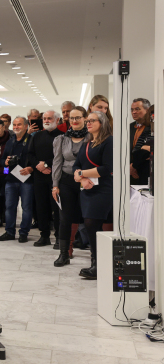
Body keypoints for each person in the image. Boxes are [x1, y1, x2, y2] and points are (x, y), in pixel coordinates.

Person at [74, 110, 113, 280]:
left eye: (92, 120)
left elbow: (107, 168)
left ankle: (99, 264)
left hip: (103, 189)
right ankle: (96, 263)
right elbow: (76, 167)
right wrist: (81, 179)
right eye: (87, 120)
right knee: (91, 226)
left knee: (92, 224)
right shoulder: (87, 143)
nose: (88, 123)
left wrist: (82, 173)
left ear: (102, 122)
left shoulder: (108, 141)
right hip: (87, 189)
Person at [51, 106, 88, 267]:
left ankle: (95, 257)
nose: (74, 121)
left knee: (90, 218)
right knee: (65, 218)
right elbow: (57, 162)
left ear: (85, 118)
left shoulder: (92, 138)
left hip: (87, 181)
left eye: (78, 117)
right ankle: (64, 254)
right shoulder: (61, 139)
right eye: (71, 118)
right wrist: (55, 185)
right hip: (66, 181)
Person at [26, 110, 63, 247]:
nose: (46, 120)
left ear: (57, 120)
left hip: (56, 177)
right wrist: (38, 165)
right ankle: (44, 235)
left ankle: (59, 237)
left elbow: (62, 156)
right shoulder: (37, 136)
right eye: (45, 118)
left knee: (57, 208)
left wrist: (46, 164)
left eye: (50, 118)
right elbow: (30, 154)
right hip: (39, 176)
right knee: (41, 207)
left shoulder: (62, 136)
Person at [0, 116, 34, 243]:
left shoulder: (31, 141)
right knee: (9, 207)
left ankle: (23, 233)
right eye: (14, 125)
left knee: (26, 207)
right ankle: (9, 232)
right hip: (11, 179)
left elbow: (36, 159)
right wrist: (6, 163)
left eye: (19, 124)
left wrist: (31, 168)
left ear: (26, 126)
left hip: (27, 180)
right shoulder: (10, 142)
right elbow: (2, 160)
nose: (16, 127)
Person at [130, 98, 151, 185]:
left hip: (147, 170)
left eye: (137, 109)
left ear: (147, 110)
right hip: (130, 171)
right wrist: (130, 168)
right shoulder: (129, 127)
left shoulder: (152, 127)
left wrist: (134, 166)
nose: (134, 112)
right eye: (132, 110)